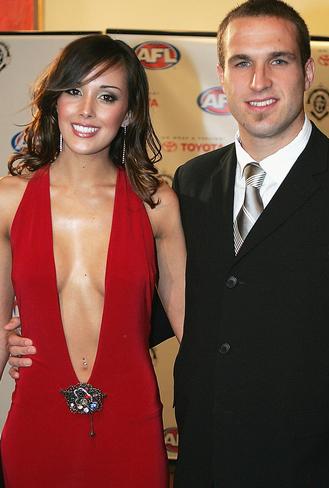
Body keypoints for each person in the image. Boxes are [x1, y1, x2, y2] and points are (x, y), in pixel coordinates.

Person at [4, 2, 329, 487]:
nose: (259, 81)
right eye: (242, 62)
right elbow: (170, 305)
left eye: (278, 60)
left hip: (311, 468)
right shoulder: (193, 183)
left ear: (307, 72)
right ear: (222, 76)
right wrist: (45, 334)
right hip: (204, 459)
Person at [0, 35, 185, 486]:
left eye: (107, 96)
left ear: (129, 113)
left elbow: (197, 336)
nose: (86, 110)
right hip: (35, 422)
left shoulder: (156, 203)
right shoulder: (8, 201)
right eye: (73, 91)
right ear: (55, 101)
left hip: (133, 424)